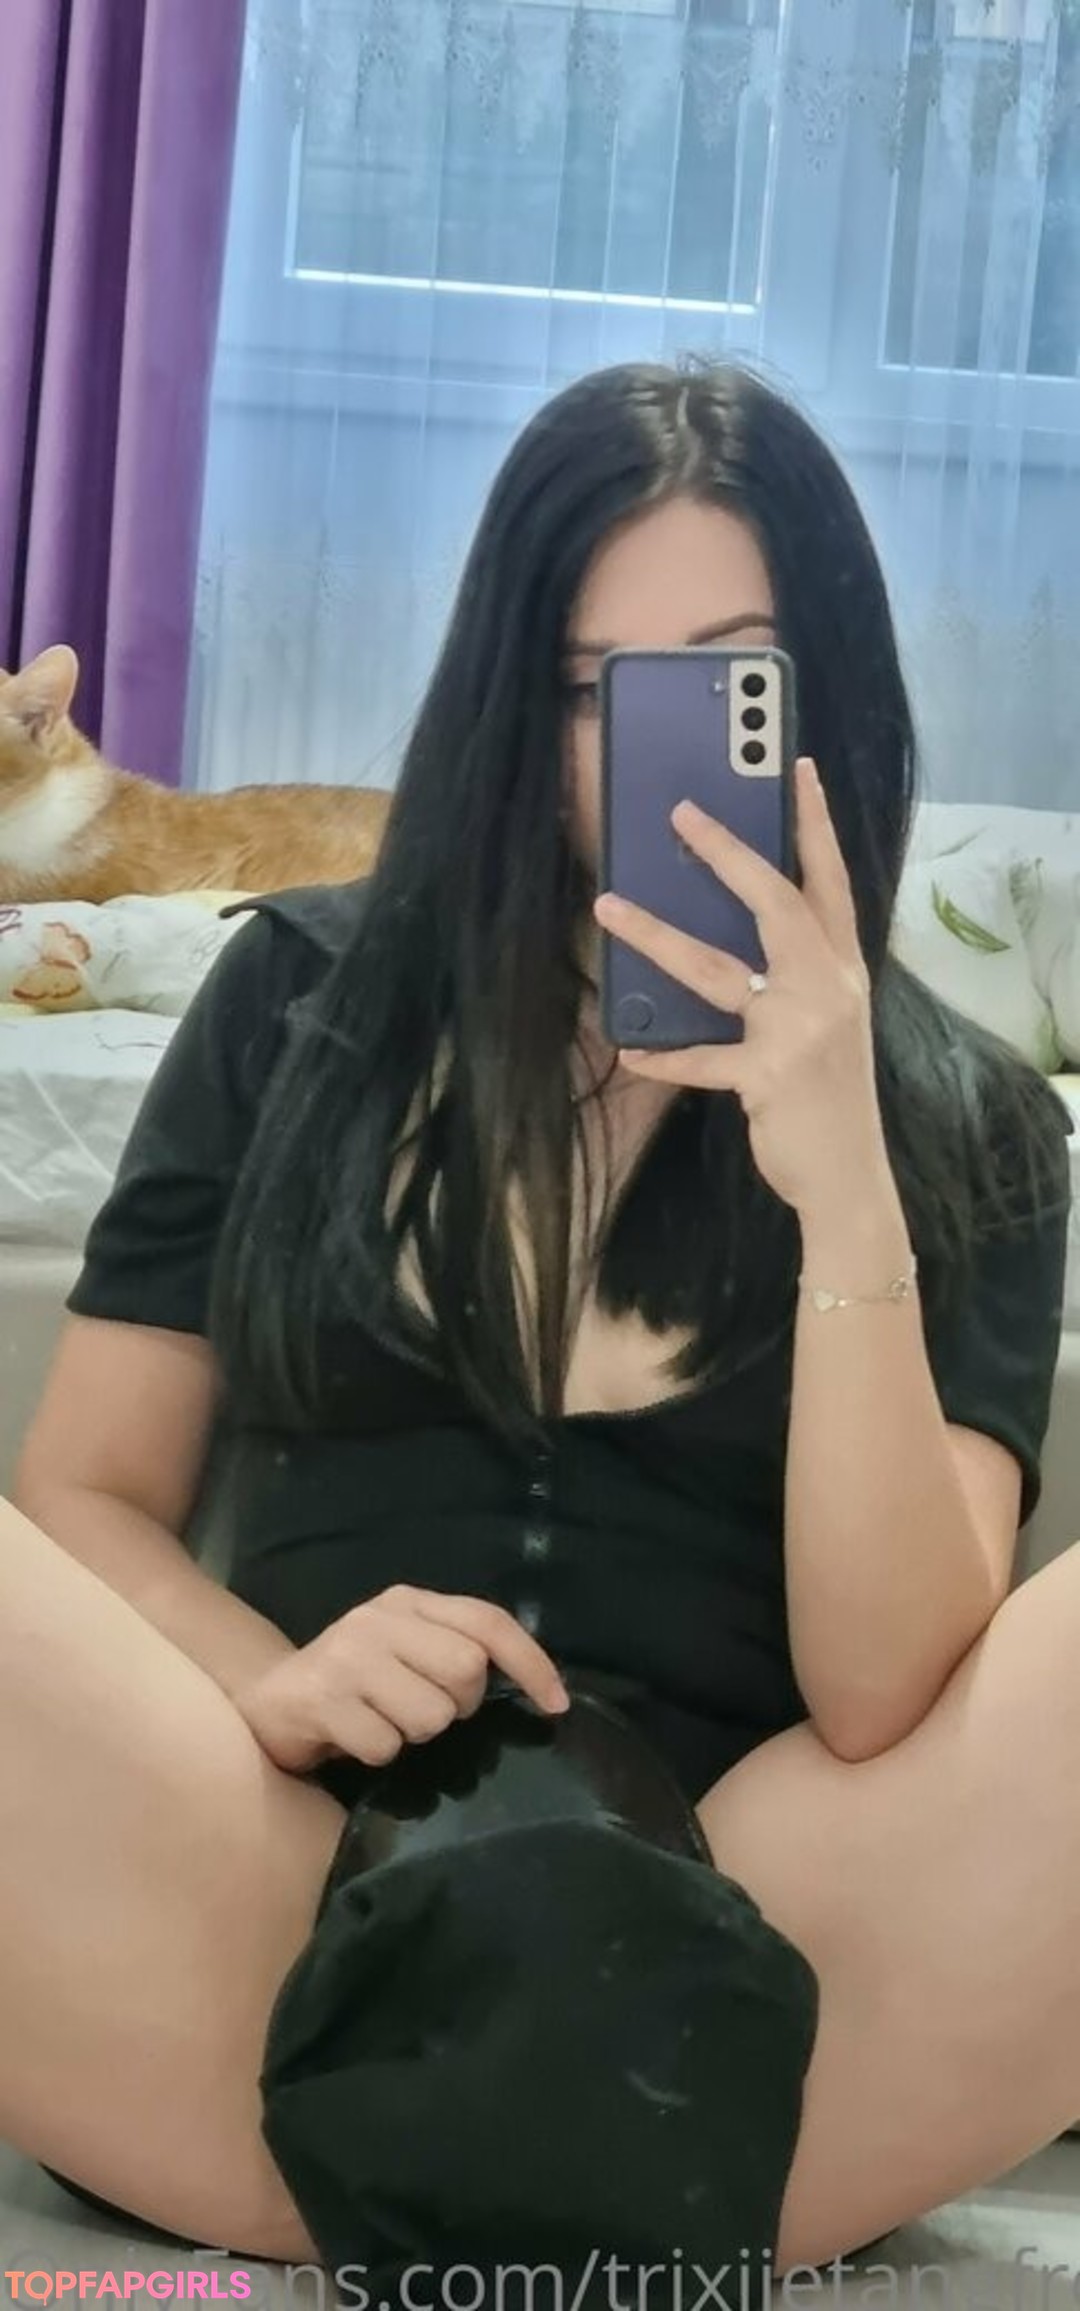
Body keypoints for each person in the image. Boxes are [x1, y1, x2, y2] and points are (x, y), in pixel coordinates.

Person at [4, 361, 1076, 2273]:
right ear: (506, 699)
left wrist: (846, 1187)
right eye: (588, 689)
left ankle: (569, 2186)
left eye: (724, 686)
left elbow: (890, 1694)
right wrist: (264, 1678)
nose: (638, 759)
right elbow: (83, 1495)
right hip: (271, 1914)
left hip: (768, 1981)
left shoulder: (966, 1124)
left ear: (827, 692)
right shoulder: (296, 1004)